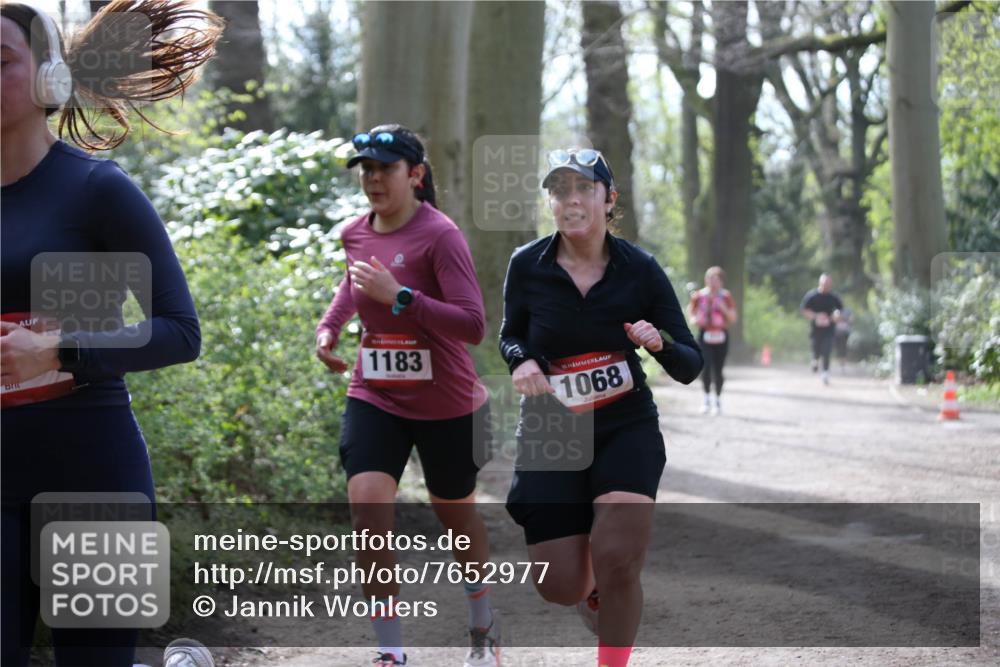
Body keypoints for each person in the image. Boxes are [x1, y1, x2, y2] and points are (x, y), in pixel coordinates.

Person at [0, 1, 220, 665]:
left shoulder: (96, 189)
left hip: (92, 473)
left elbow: (180, 330)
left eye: (0, 61)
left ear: (49, 76)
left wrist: (60, 350)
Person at [499, 148, 702, 667]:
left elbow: (690, 362)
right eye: (559, 190)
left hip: (624, 423)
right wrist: (521, 360)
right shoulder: (527, 265)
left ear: (607, 199)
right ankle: (590, 588)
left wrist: (659, 343)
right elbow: (510, 335)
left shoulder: (640, 270)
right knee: (559, 585)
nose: (570, 200)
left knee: (618, 559)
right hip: (552, 427)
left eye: (582, 188)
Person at [315, 124, 498, 667]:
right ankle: (391, 651)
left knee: (456, 518)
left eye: (385, 169)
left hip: (445, 400)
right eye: (366, 169)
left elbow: (472, 325)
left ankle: (483, 624)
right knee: (368, 508)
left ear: (415, 174)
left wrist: (402, 298)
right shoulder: (355, 232)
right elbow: (353, 283)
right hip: (375, 394)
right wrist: (329, 327)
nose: (373, 179)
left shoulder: (441, 236)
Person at [687, 266, 737, 415]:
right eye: (709, 278)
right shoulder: (699, 296)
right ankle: (706, 399)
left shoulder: (726, 296)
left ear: (721, 281)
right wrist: (694, 319)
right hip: (704, 334)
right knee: (706, 366)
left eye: (715, 279)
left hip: (721, 335)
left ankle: (718, 400)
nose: (712, 282)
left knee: (718, 369)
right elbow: (691, 312)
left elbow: (733, 318)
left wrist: (723, 308)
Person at [800, 273, 844, 385]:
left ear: (831, 284)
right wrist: (816, 316)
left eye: (828, 283)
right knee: (816, 349)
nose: (826, 285)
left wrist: (836, 316)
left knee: (827, 350)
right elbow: (804, 310)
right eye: (824, 283)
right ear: (820, 283)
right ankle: (815, 360)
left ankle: (825, 373)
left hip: (829, 329)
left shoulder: (834, 297)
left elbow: (840, 312)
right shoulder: (812, 296)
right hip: (815, 329)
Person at [834, 306, 853, 372]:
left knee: (844, 347)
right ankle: (840, 363)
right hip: (837, 333)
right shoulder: (836, 310)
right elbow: (834, 319)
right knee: (838, 348)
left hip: (845, 332)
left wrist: (843, 318)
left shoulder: (847, 310)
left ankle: (843, 364)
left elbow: (851, 320)